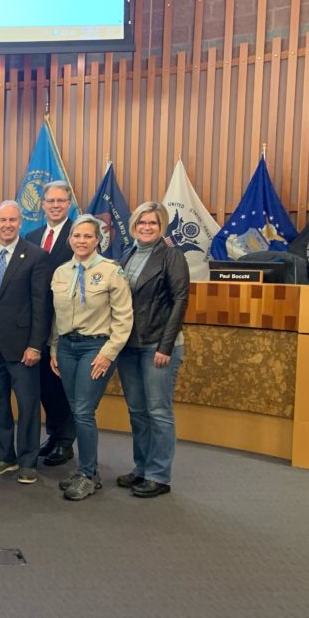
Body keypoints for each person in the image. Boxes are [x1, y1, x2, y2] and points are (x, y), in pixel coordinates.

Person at [49, 214, 133, 501]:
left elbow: (124, 318)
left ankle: (89, 474)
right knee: (76, 411)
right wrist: (53, 348)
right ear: (70, 239)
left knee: (84, 411)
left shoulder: (111, 271)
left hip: (95, 349)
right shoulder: (61, 272)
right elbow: (56, 316)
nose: (81, 241)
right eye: (77, 236)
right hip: (66, 348)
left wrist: (108, 354)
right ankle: (85, 469)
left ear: (97, 240)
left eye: (87, 236)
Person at [0, 202, 50, 485]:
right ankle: (4, 457)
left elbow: (42, 305)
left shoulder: (37, 256)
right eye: (2, 220)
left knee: (28, 405)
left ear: (20, 222)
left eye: (12, 220)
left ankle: (28, 461)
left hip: (23, 347)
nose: (7, 225)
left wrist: (36, 345)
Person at [115, 202, 189, 498]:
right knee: (137, 411)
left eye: (153, 223)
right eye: (142, 222)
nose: (147, 227)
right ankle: (142, 468)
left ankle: (159, 475)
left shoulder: (171, 255)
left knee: (158, 411)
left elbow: (180, 300)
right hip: (129, 345)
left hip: (158, 346)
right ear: (134, 225)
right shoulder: (126, 254)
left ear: (162, 227)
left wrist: (165, 345)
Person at [25, 181, 77, 467]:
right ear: (42, 204)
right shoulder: (32, 236)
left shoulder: (78, 234)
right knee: (45, 383)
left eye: (61, 201)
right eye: (50, 201)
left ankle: (66, 441)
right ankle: (55, 434)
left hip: (65, 322)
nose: (55, 205)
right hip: (36, 322)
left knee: (62, 384)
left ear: (68, 204)